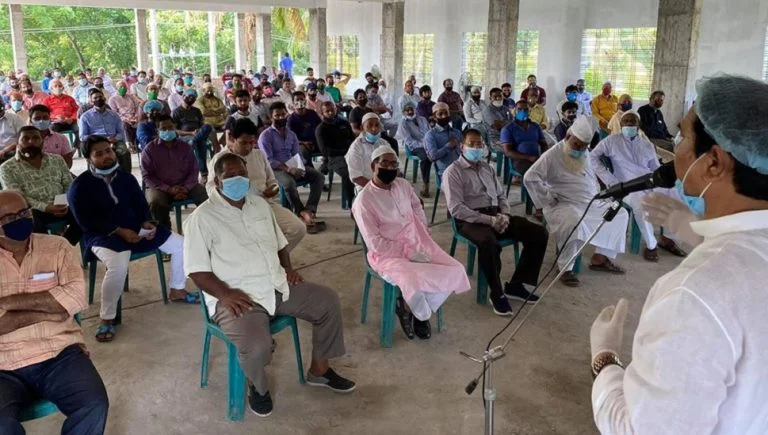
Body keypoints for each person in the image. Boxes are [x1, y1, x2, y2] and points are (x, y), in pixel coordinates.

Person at [589, 73, 768, 434]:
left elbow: (640, 429)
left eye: (683, 137)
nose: (676, 150)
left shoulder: (694, 293)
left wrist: (605, 360)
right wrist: (701, 235)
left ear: (714, 162)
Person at [185, 153, 355, 417]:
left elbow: (280, 243)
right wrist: (225, 294)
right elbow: (197, 270)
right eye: (230, 176)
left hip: (276, 285)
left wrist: (288, 269)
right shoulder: (202, 217)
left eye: (241, 174)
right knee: (257, 347)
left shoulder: (259, 205)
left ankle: (319, 370)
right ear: (216, 181)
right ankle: (258, 386)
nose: (237, 180)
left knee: (327, 301)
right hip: (237, 297)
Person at [0, 190, 109, 435]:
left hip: (59, 353)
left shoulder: (57, 247)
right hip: (3, 363)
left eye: (24, 212)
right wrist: (51, 311)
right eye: (9, 218)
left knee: (93, 404)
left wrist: (7, 303)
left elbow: (76, 297)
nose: (20, 220)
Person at [68, 135, 195, 342]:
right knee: (118, 264)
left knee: (181, 244)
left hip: (136, 230)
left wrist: (147, 222)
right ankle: (107, 318)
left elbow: (141, 206)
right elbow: (86, 222)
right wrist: (119, 231)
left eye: (108, 151)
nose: (106, 156)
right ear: (89, 158)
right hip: (103, 236)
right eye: (98, 154)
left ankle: (177, 289)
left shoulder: (126, 178)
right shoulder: (80, 186)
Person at [354, 145, 471, 337]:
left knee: (456, 270)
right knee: (413, 280)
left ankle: (408, 308)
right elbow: (375, 243)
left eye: (394, 164)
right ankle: (421, 315)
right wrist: (408, 252)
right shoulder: (364, 201)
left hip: (418, 242)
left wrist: (422, 229)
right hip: (387, 255)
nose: (390, 168)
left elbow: (417, 206)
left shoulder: (402, 185)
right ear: (373, 166)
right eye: (385, 163)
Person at [443, 129, 549, 315]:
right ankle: (497, 293)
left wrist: (505, 215)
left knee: (538, 233)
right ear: (462, 147)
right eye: (471, 144)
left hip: (496, 215)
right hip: (470, 220)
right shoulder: (453, 172)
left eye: (479, 144)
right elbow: (457, 209)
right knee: (489, 243)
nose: (476, 148)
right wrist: (489, 220)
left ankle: (516, 285)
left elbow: (501, 195)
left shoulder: (488, 168)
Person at [524, 116, 629, 287]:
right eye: (576, 145)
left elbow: (589, 176)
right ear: (567, 136)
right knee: (573, 221)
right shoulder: (552, 155)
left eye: (584, 146)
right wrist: (547, 199)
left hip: (589, 202)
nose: (579, 149)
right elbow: (530, 178)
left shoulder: (584, 152)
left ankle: (600, 258)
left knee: (620, 213)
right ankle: (565, 268)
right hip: (563, 204)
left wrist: (600, 192)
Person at [590, 111, 687, 261]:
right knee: (642, 205)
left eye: (632, 121)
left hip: (649, 181)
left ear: (638, 124)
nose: (629, 124)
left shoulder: (646, 144)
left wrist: (664, 182)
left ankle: (667, 238)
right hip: (627, 186)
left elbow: (655, 167)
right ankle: (651, 245)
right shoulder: (611, 141)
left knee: (676, 194)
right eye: (626, 121)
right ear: (621, 124)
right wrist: (610, 180)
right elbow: (592, 157)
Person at [207, 118, 306, 251]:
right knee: (250, 239)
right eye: (243, 143)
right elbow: (210, 188)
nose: (248, 147)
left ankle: (275, 258)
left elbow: (272, 180)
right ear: (233, 139)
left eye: (251, 142)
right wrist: (227, 196)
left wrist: (273, 189)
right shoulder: (220, 159)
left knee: (298, 228)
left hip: (264, 203)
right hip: (235, 210)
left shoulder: (259, 154)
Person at [0, 126, 81, 245]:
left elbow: (69, 185)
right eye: (25, 139)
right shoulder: (7, 168)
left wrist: (65, 203)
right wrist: (46, 207)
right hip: (33, 210)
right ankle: (46, 249)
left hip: (62, 206)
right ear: (17, 142)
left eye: (35, 138)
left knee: (87, 211)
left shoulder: (57, 160)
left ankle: (63, 245)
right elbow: (18, 198)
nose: (31, 142)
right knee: (29, 221)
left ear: (42, 141)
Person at [258, 102, 326, 233]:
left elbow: (297, 153)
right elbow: (268, 160)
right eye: (277, 115)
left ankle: (310, 210)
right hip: (275, 170)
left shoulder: (291, 134)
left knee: (318, 177)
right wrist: (287, 169)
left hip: (293, 165)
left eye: (283, 114)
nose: (281, 117)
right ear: (271, 117)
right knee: (289, 184)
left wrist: (299, 167)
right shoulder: (265, 136)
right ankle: (300, 211)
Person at [141, 115, 209, 230]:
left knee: (204, 195)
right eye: (164, 128)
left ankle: (206, 228)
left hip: (185, 185)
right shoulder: (149, 150)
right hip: (160, 188)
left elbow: (194, 170)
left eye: (170, 127)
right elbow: (147, 176)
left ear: (175, 127)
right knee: (155, 202)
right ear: (157, 131)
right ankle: (164, 233)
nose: (168, 131)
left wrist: (186, 187)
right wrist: (168, 189)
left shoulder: (185, 147)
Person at [78, 88, 131, 174]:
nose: (98, 99)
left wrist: (115, 138)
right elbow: (82, 136)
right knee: (96, 154)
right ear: (91, 101)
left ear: (104, 99)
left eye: (100, 97)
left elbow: (121, 133)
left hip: (114, 141)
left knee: (123, 152)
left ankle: (125, 176)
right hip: (95, 142)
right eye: (95, 98)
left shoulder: (114, 115)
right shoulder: (85, 117)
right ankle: (96, 177)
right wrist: (99, 139)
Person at [315, 102, 356, 204]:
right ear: (322, 113)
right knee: (348, 173)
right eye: (327, 111)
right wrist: (344, 151)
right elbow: (325, 151)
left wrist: (351, 150)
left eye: (332, 110)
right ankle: (350, 203)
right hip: (333, 158)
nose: (330, 113)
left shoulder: (344, 123)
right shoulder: (321, 129)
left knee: (364, 168)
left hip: (350, 154)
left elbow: (353, 139)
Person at [172, 88, 215, 183]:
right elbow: (174, 130)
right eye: (189, 96)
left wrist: (198, 131)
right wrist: (190, 133)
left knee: (208, 127)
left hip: (198, 134)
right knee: (201, 144)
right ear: (184, 96)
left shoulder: (197, 111)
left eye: (193, 97)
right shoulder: (176, 111)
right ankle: (203, 173)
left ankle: (194, 140)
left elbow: (202, 125)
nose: (191, 99)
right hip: (185, 136)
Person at [500, 99, 549, 177]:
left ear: (529, 112)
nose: (522, 112)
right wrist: (529, 158)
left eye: (526, 110)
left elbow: (544, 144)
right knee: (534, 174)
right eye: (519, 109)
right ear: (514, 111)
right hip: (519, 161)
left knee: (553, 170)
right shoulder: (508, 129)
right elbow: (507, 152)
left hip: (537, 158)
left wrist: (543, 157)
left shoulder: (536, 127)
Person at [346, 113, 392, 190]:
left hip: (386, 185)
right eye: (369, 125)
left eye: (377, 125)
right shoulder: (356, 147)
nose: (374, 129)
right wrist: (377, 188)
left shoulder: (384, 143)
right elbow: (356, 177)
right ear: (362, 127)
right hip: (365, 187)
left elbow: (396, 166)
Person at [396, 101, 432, 198]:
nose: (410, 112)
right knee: (426, 158)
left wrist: (430, 143)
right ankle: (426, 184)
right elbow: (409, 141)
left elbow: (430, 132)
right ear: (403, 112)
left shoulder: (422, 119)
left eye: (412, 109)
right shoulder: (403, 124)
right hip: (416, 147)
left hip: (428, 144)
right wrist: (424, 145)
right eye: (407, 110)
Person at [425, 102, 463, 179]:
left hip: (461, 168)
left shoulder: (456, 132)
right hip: (445, 172)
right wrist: (448, 146)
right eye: (440, 114)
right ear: (434, 117)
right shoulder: (431, 135)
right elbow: (433, 156)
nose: (444, 116)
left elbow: (464, 151)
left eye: (446, 113)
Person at [287, 91, 323, 166]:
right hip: (302, 144)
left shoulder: (312, 113)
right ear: (293, 103)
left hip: (316, 141)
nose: (300, 101)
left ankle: (326, 165)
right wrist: (304, 143)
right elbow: (291, 138)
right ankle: (310, 170)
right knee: (302, 151)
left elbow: (321, 127)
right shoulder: (291, 119)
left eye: (302, 99)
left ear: (305, 101)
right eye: (297, 100)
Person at [43, 79, 79, 149]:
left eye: (60, 86)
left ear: (62, 87)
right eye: (55, 86)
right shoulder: (47, 100)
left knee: (80, 128)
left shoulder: (69, 98)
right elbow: (45, 112)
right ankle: (58, 149)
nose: (58, 88)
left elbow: (76, 110)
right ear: (51, 88)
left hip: (70, 122)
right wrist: (55, 117)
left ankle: (75, 147)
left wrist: (72, 118)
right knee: (52, 131)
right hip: (56, 123)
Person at [108, 80, 141, 151]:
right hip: (122, 119)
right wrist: (126, 119)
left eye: (124, 87)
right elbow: (114, 113)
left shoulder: (131, 97)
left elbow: (137, 107)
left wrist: (136, 117)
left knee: (142, 123)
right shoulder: (112, 99)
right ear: (116, 88)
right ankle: (129, 145)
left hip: (134, 117)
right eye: (120, 87)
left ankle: (140, 144)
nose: (123, 88)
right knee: (125, 124)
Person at [481, 87, 513, 152]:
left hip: (509, 135)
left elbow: (513, 122)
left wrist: (503, 122)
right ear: (490, 98)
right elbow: (497, 126)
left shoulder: (505, 108)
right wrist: (508, 122)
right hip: (495, 138)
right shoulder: (487, 110)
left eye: (500, 96)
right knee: (512, 148)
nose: (498, 98)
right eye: (495, 97)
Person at [196, 83, 227, 148]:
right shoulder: (199, 100)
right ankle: (216, 146)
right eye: (208, 91)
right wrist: (217, 110)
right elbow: (203, 112)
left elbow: (223, 109)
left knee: (229, 125)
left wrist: (210, 110)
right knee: (211, 129)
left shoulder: (217, 99)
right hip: (208, 122)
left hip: (220, 121)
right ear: (203, 91)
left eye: (211, 91)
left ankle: (222, 139)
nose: (210, 92)